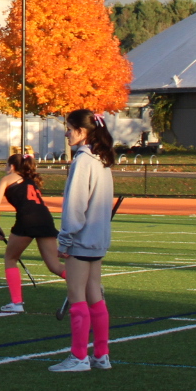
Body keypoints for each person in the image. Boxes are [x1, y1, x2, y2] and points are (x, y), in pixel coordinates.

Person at [52, 110, 117, 372]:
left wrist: (64, 240)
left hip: (81, 240)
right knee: (95, 296)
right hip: (97, 240)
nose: (66, 133)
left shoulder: (83, 161)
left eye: (69, 128)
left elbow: (75, 207)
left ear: (82, 131)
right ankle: (101, 354)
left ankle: (79, 356)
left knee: (77, 294)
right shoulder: (101, 160)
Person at [0, 151, 63, 312]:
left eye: (7, 165)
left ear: (12, 166)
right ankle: (89, 288)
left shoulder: (7, 179)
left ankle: (16, 303)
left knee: (10, 258)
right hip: (45, 218)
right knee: (55, 265)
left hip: (27, 219)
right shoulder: (31, 181)